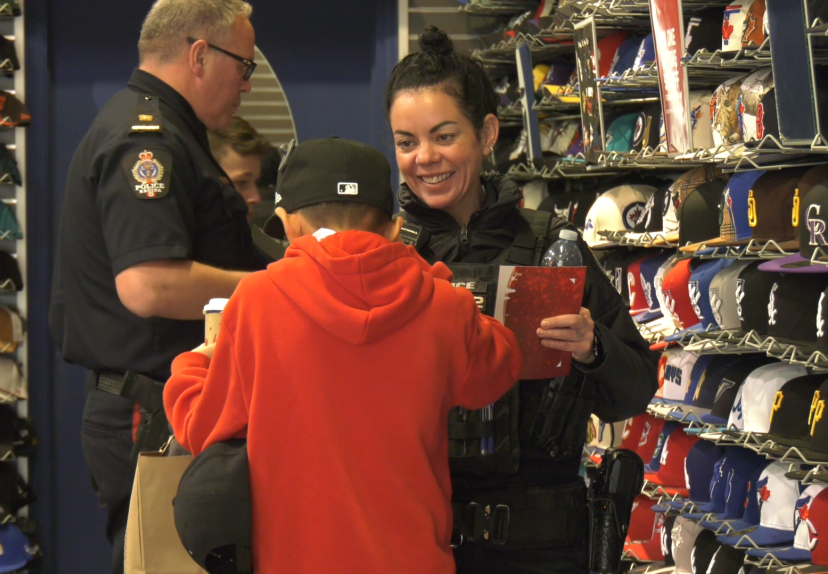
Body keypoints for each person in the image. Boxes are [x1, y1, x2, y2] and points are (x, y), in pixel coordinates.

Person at [164, 137, 523, 573]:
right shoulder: (442, 305)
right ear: (393, 227)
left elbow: (201, 427)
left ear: (288, 222)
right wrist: (428, 275)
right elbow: (501, 363)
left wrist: (193, 364)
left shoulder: (257, 301)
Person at [385, 27, 657, 574]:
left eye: (443, 136)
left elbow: (634, 391)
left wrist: (593, 347)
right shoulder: (383, 255)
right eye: (406, 142)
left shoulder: (553, 249)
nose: (424, 159)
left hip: (543, 547)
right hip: (416, 542)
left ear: (487, 134)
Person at [49, 1, 267, 572]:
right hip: (150, 410)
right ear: (200, 55)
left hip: (163, 404)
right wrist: (274, 293)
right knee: (164, 563)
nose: (246, 86)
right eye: (244, 67)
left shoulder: (168, 130)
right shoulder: (147, 139)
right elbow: (148, 285)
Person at [208, 116, 286, 259]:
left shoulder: (260, 251)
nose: (255, 198)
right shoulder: (172, 253)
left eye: (257, 182)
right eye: (241, 183)